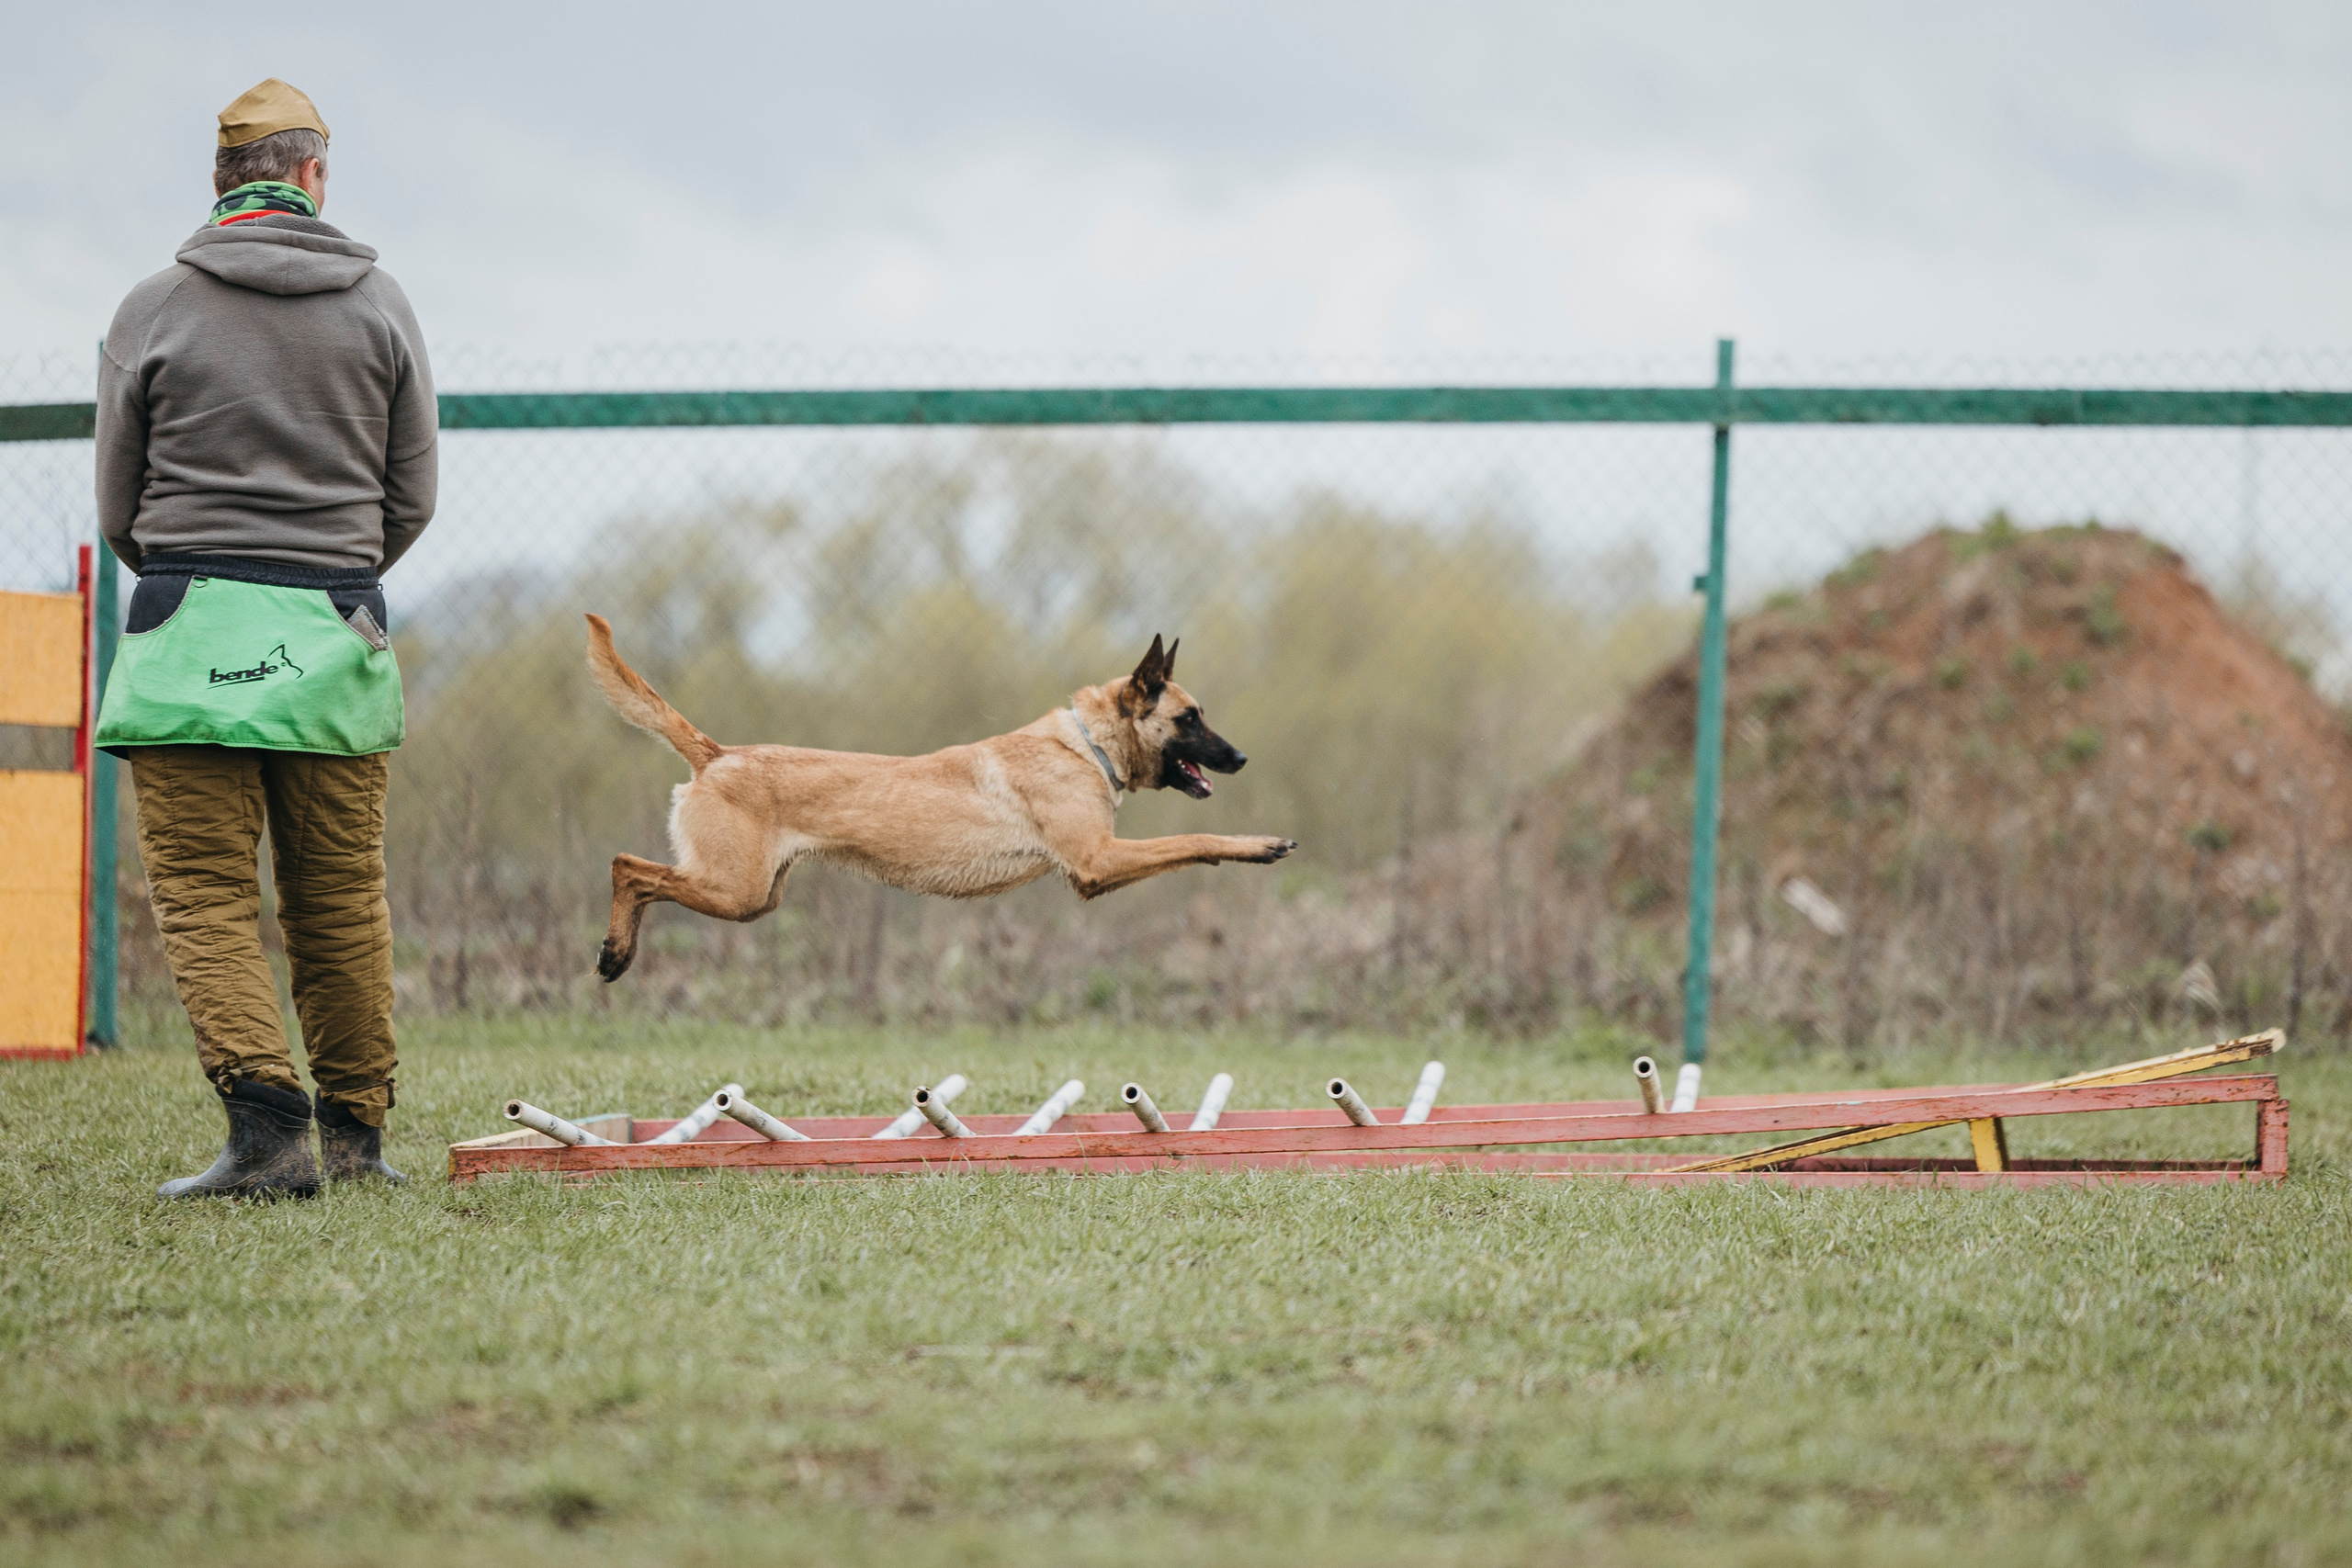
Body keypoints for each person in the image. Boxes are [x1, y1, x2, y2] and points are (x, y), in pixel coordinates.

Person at [93, 78, 436, 1198]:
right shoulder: (383, 305)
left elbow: (118, 507)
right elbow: (411, 499)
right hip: (335, 631)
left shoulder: (152, 309)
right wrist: (328, 585)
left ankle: (265, 1134)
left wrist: (207, 585)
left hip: (188, 628)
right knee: (339, 892)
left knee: (202, 891)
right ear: (313, 177)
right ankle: (354, 1139)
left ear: (220, 184)